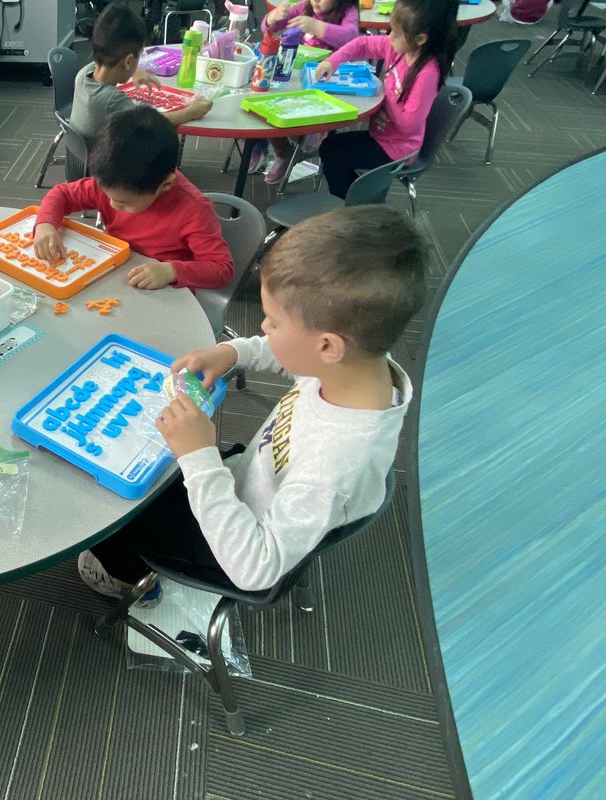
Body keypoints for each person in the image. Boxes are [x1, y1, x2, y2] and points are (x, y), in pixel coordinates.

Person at [78, 205, 423, 597]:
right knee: (148, 473)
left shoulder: (335, 466)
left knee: (108, 517)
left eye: (273, 322)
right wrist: (233, 352)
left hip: (234, 547)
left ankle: (128, 581)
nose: (263, 327)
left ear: (328, 345)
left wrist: (200, 458)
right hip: (249, 479)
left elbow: (255, 569)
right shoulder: (357, 364)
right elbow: (293, 354)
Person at [34, 105, 233, 293]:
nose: (112, 204)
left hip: (162, 290)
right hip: (117, 270)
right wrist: (45, 224)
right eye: (107, 195)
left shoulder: (194, 210)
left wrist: (171, 271)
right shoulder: (113, 180)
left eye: (123, 203)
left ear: (165, 185)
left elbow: (221, 268)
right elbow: (62, 193)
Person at [315, 0, 455, 197]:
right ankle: (360, 199)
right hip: (381, 135)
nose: (390, 38)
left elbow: (409, 124)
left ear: (420, 39)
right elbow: (363, 43)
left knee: (336, 160)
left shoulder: (427, 73)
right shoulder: (399, 49)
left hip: (398, 149)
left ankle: (350, 207)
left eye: (396, 34)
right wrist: (333, 61)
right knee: (328, 148)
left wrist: (384, 93)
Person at [70, 2, 212, 142]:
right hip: (109, 156)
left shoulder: (83, 75)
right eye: (139, 57)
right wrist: (191, 112)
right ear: (128, 61)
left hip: (82, 153)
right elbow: (154, 121)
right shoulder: (112, 100)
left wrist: (134, 71)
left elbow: (107, 59)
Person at [254, 0, 361, 184]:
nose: (316, 1)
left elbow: (351, 37)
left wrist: (317, 27)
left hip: (325, 84)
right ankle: (283, 152)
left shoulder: (347, 11)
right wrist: (272, 18)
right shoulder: (303, 7)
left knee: (303, 126)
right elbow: (269, 27)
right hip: (296, 75)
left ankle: (307, 138)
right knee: (265, 107)